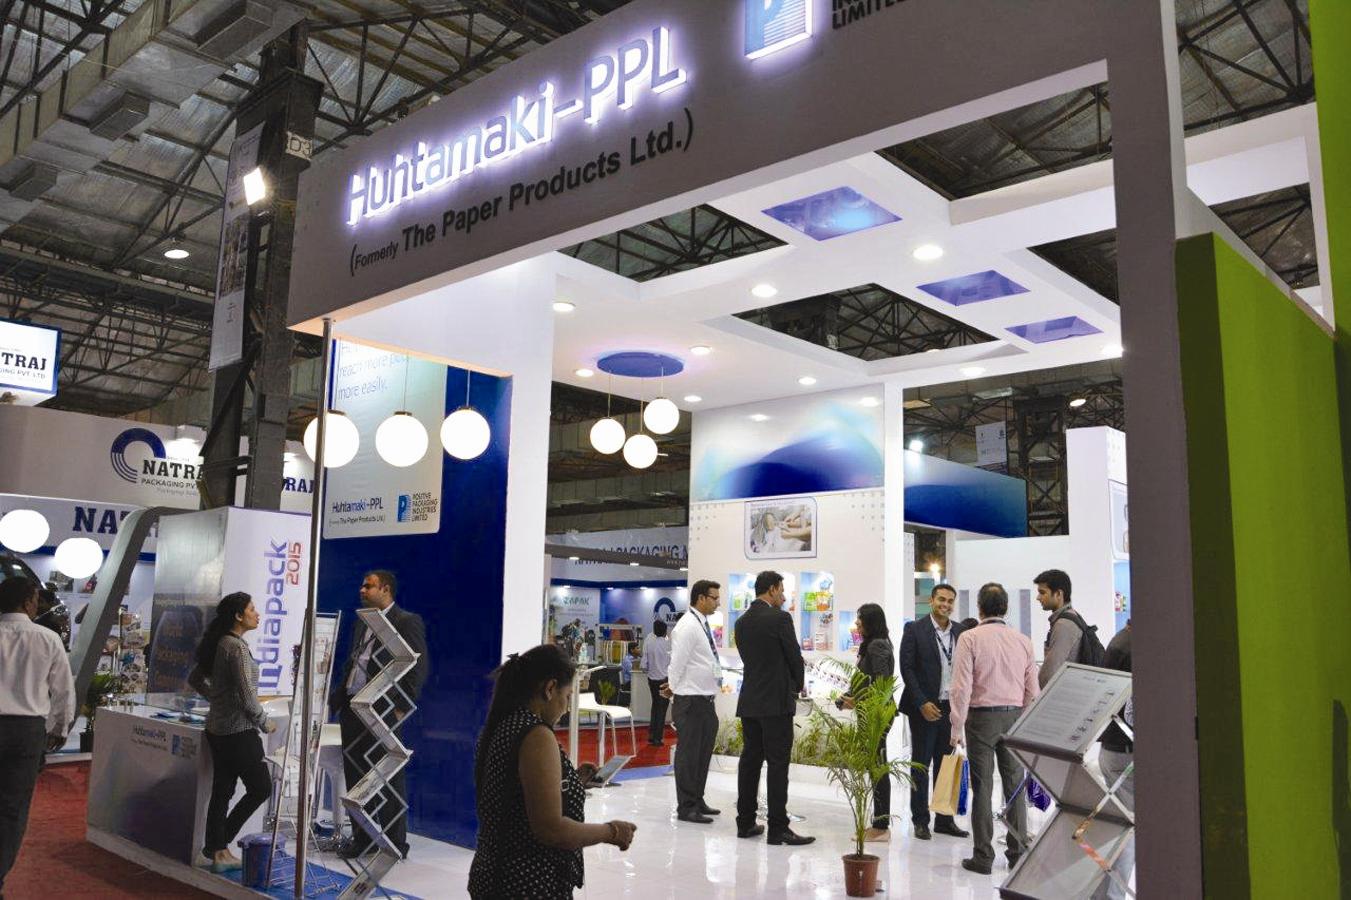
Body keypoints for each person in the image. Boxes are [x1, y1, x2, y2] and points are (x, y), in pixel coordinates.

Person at [468, 644, 636, 899]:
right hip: (526, 883)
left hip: (492, 873)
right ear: (550, 689)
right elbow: (550, 829)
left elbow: (514, 792)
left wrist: (572, 781)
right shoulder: (536, 735)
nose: (567, 707)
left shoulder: (501, 725)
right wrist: (611, 831)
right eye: (567, 696)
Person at [331, 570, 429, 860]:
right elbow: (354, 664)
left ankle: (394, 842)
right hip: (353, 708)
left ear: (385, 589)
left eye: (369, 586)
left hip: (382, 710)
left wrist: (401, 706)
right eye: (362, 586)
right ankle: (363, 838)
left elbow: (417, 666)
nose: (362, 590)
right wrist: (338, 698)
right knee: (356, 777)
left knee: (386, 776)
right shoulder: (362, 621)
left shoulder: (406, 621)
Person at [948, 582, 1039, 875]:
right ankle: (1017, 854)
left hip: (981, 720)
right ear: (1006, 608)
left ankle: (983, 857)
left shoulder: (969, 638)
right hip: (1014, 718)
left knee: (982, 788)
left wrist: (956, 726)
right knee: (1015, 788)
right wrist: (1024, 718)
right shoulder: (1023, 641)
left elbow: (961, 687)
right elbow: (1033, 690)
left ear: (979, 608)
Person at [187, 592, 276, 873]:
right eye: (252, 609)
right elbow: (247, 696)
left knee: (223, 791)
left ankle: (218, 851)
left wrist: (217, 699)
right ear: (238, 616)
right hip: (239, 731)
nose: (257, 614)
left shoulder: (220, 643)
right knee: (261, 787)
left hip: (218, 730)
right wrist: (264, 722)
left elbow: (195, 679)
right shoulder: (235, 647)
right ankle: (219, 845)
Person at [0, 577, 74, 896]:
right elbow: (63, 691)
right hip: (27, 731)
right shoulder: (47, 638)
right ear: (28, 602)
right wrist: (60, 729)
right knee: (12, 809)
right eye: (35, 599)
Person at [734, 571, 813, 846]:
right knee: (778, 765)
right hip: (776, 702)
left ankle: (745, 822)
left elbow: (749, 659)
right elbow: (794, 657)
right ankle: (778, 828)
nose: (784, 596)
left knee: (750, 762)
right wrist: (797, 686)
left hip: (750, 701)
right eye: (781, 590)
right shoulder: (780, 618)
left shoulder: (741, 622)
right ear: (771, 589)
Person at [898, 583, 970, 842]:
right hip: (925, 708)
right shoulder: (914, 629)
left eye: (950, 601)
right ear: (931, 600)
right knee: (921, 765)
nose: (945, 605)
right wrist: (921, 702)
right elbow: (907, 668)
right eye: (941, 599)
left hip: (950, 708)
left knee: (946, 764)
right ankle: (920, 820)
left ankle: (944, 820)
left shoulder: (962, 632)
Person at [662, 580, 723, 824]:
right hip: (690, 699)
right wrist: (673, 690)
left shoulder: (702, 624)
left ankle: (697, 799)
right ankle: (686, 807)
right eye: (714, 598)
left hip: (705, 699)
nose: (718, 602)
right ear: (701, 598)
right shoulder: (687, 625)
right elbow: (677, 663)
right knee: (689, 754)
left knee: (702, 753)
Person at [837, 602, 896, 842]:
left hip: (877, 715)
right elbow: (866, 679)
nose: (856, 622)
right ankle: (879, 824)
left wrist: (857, 699)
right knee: (875, 767)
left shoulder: (877, 645)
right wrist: (849, 696)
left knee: (878, 768)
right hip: (871, 712)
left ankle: (880, 826)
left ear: (871, 621)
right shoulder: (872, 644)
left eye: (860, 618)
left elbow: (882, 684)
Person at [1093, 621, 1134, 900]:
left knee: (1119, 826)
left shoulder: (1121, 642)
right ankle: (1112, 895)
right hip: (1124, 751)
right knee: (1127, 829)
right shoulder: (1131, 647)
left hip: (1114, 747)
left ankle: (1103, 894)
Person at [1035, 569, 1081, 687]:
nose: (1038, 597)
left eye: (1042, 592)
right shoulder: (1073, 617)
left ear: (1058, 594)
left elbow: (1049, 674)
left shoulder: (1064, 625)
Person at [641, 620, 671, 747]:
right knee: (662, 709)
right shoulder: (668, 644)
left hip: (651, 680)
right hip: (664, 680)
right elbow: (672, 662)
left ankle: (652, 735)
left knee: (655, 706)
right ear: (665, 631)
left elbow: (644, 663)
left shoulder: (648, 641)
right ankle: (657, 738)